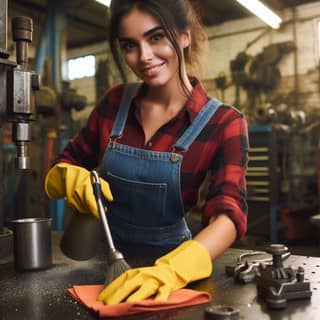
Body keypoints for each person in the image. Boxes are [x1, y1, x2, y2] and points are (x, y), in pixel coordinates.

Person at [45, 0, 249, 305]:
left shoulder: (224, 123)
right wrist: (65, 175)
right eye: (130, 45)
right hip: (100, 267)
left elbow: (229, 212)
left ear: (184, 36)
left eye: (156, 38)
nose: (144, 57)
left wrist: (170, 272)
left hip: (169, 275)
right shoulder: (114, 103)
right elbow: (67, 161)